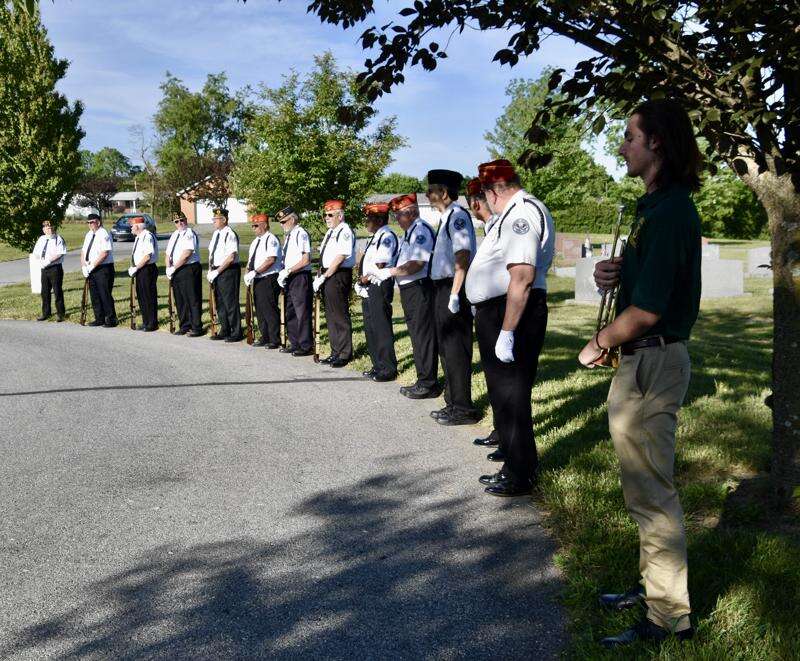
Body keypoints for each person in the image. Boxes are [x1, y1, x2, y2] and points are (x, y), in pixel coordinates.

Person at [577, 99, 703, 648]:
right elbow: (643, 284)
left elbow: (648, 311)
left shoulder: (674, 210)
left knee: (653, 492)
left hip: (652, 357)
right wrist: (615, 272)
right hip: (641, 360)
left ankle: (668, 617)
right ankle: (655, 587)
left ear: (656, 143)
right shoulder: (653, 208)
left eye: (629, 136)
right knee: (641, 487)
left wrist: (598, 341)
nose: (622, 146)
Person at [465, 158, 554, 497]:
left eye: (484, 193)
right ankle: (511, 457)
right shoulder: (513, 212)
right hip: (500, 309)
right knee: (503, 390)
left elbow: (522, 276)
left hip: (513, 311)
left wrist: (507, 330)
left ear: (493, 191)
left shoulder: (520, 213)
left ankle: (521, 473)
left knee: (512, 392)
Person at [367, 193, 439, 399]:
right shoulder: (410, 232)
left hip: (419, 288)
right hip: (410, 290)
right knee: (417, 336)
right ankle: (423, 379)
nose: (396, 219)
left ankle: (428, 382)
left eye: (399, 215)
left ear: (412, 212)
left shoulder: (420, 230)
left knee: (423, 337)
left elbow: (417, 263)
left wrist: (389, 272)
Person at [426, 169, 480, 426]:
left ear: (444, 193)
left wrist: (456, 293)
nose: (427, 195)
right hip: (442, 289)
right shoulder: (446, 217)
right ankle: (452, 402)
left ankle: (463, 407)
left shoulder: (458, 217)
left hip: (453, 288)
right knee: (446, 349)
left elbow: (462, 256)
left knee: (456, 349)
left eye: (431, 190)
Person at [465, 177, 499, 448]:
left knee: (502, 377)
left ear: (476, 203)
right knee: (494, 375)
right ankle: (501, 430)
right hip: (486, 309)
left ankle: (505, 433)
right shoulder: (491, 226)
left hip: (499, 308)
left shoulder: (499, 225)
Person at [357, 202, 399, 381]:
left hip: (379, 283)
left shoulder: (387, 236)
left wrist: (364, 278)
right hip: (369, 284)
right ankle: (377, 365)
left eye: (369, 218)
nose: (366, 222)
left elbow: (381, 262)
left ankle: (388, 368)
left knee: (380, 326)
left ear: (379, 219)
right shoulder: (376, 236)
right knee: (370, 326)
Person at [313, 200, 356, 367]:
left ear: (340, 215)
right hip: (328, 273)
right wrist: (321, 275)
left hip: (337, 274)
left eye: (330, 215)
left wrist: (326, 276)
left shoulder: (344, 230)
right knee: (330, 315)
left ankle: (345, 353)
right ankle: (335, 351)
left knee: (339, 314)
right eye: (325, 215)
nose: (326, 218)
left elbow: (340, 257)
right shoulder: (331, 231)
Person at [275, 206, 313, 357]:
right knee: (290, 310)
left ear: (292, 219)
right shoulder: (289, 235)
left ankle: (305, 345)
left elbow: (305, 259)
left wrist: (289, 271)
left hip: (299, 276)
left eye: (284, 221)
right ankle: (295, 342)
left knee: (301, 311)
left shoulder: (300, 234)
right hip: (289, 276)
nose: (282, 225)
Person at [243, 212, 283, 348]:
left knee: (269, 308)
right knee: (259, 308)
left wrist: (255, 272)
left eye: (256, 225)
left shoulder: (271, 239)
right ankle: (264, 336)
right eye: (252, 226)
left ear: (265, 225)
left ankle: (274, 338)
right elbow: (250, 261)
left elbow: (271, 260)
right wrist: (247, 273)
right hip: (258, 278)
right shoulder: (255, 242)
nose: (253, 228)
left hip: (269, 277)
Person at [206, 208, 242, 342]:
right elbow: (212, 254)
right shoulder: (216, 234)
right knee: (220, 302)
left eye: (216, 219)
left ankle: (236, 331)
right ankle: (225, 329)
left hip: (228, 270)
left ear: (224, 220)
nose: (214, 221)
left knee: (230, 302)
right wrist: (211, 270)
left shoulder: (230, 234)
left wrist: (217, 271)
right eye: (214, 219)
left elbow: (231, 257)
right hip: (217, 270)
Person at [165, 212, 204, 337]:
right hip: (176, 270)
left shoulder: (189, 233)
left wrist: (174, 267)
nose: (180, 223)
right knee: (180, 299)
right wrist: (168, 267)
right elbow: (167, 254)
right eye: (176, 221)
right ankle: (184, 325)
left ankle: (196, 327)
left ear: (186, 220)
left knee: (192, 298)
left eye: (182, 220)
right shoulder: (174, 235)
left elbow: (187, 253)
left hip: (189, 268)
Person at [81, 213, 117, 327]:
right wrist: (84, 266)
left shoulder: (103, 233)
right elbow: (83, 252)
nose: (90, 224)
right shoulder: (88, 235)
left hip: (103, 268)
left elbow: (104, 253)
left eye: (92, 222)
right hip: (90, 268)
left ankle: (111, 319)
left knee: (104, 294)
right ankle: (99, 318)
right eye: (88, 222)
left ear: (99, 222)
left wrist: (92, 266)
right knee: (94, 295)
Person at [127, 215, 159, 331]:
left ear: (137, 226)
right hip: (141, 269)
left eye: (132, 226)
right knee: (142, 297)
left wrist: (136, 267)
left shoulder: (147, 236)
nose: (130, 228)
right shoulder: (139, 237)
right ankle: (146, 321)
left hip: (147, 269)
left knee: (149, 297)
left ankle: (152, 323)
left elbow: (147, 256)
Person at [33, 220, 67, 322]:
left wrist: (48, 260)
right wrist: (41, 261)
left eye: (51, 227)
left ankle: (61, 314)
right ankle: (46, 313)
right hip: (44, 269)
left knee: (57, 291)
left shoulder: (58, 239)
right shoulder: (41, 239)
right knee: (45, 292)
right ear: (44, 230)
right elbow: (36, 252)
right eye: (48, 228)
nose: (50, 229)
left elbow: (60, 253)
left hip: (55, 268)